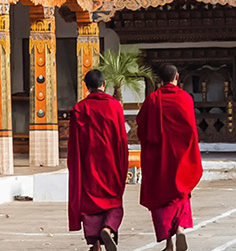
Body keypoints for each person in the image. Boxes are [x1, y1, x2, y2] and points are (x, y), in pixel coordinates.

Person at [136, 63, 202, 251]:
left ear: (159, 79)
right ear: (177, 77)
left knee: (161, 197)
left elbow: (141, 128)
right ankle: (180, 229)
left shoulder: (152, 99)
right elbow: (190, 130)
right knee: (180, 193)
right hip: (180, 156)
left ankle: (168, 243)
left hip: (158, 158)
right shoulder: (185, 98)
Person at [69, 69, 129, 251]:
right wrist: (123, 165)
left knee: (90, 205)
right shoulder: (115, 106)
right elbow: (121, 139)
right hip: (110, 163)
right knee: (113, 200)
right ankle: (108, 228)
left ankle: (95, 244)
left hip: (88, 165)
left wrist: (75, 166)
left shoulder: (79, 109)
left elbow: (74, 144)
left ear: (87, 87)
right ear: (104, 85)